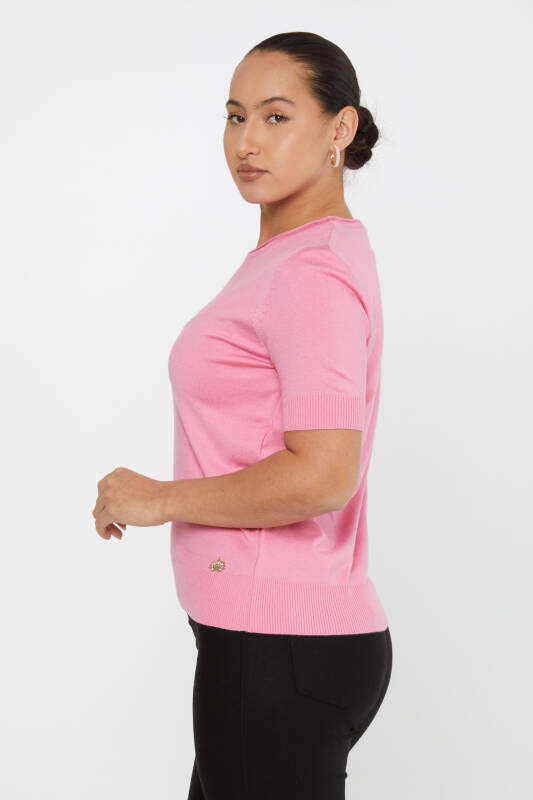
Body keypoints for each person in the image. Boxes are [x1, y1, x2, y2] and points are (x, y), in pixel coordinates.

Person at [93, 30, 392, 800]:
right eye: (234, 116)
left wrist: (160, 499)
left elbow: (323, 474)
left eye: (275, 116)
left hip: (279, 650)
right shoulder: (293, 258)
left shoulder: (311, 272)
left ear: (339, 129)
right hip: (270, 647)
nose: (246, 142)